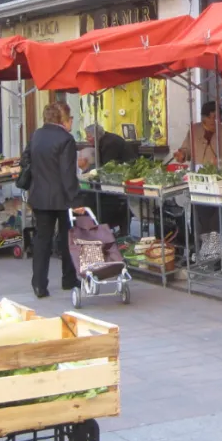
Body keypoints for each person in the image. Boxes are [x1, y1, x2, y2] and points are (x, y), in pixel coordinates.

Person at [27, 101, 81, 298]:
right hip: (62, 198)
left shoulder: (36, 135)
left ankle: (39, 284)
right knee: (68, 239)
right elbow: (67, 174)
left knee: (42, 240)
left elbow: (26, 161)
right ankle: (69, 279)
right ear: (63, 118)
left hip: (40, 195)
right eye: (70, 117)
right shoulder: (66, 139)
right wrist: (76, 200)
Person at [83, 125, 135, 237]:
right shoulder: (105, 141)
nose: (87, 139)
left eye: (88, 136)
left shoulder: (110, 143)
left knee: (110, 200)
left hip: (124, 176)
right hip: (118, 175)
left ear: (96, 136)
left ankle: (118, 229)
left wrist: (93, 173)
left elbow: (107, 166)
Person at [171, 101, 222, 167]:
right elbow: (187, 149)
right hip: (198, 172)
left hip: (221, 172)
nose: (212, 120)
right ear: (203, 117)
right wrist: (183, 154)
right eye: (209, 117)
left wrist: (221, 160)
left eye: (215, 117)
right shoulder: (194, 129)